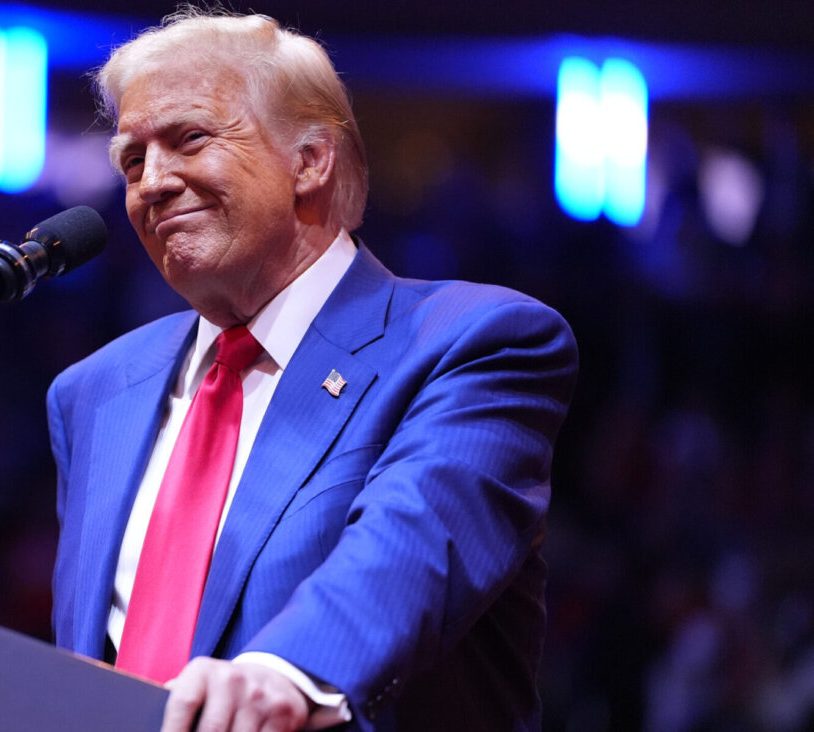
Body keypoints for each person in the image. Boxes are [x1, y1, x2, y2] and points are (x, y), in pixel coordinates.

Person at [46, 8, 578, 731]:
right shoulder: (93, 392)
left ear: (310, 160)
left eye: (189, 139)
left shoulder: (475, 344)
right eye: (133, 160)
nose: (152, 183)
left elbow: (410, 547)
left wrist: (288, 672)